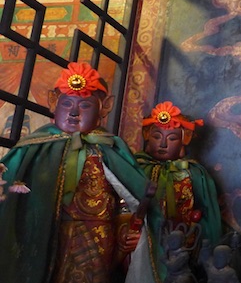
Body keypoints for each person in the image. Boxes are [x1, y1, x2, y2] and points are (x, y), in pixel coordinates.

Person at [0, 62, 156, 283]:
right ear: (54, 103)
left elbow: (131, 197)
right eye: (67, 104)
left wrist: (128, 229)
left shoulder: (110, 148)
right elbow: (7, 180)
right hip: (44, 232)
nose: (73, 112)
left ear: (104, 108)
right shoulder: (35, 147)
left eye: (84, 105)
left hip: (96, 236)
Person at [136, 101, 223, 281]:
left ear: (183, 141)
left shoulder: (193, 173)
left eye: (172, 138)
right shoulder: (137, 168)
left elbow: (208, 214)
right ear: (147, 138)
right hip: (143, 241)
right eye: (157, 136)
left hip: (183, 242)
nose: (163, 144)